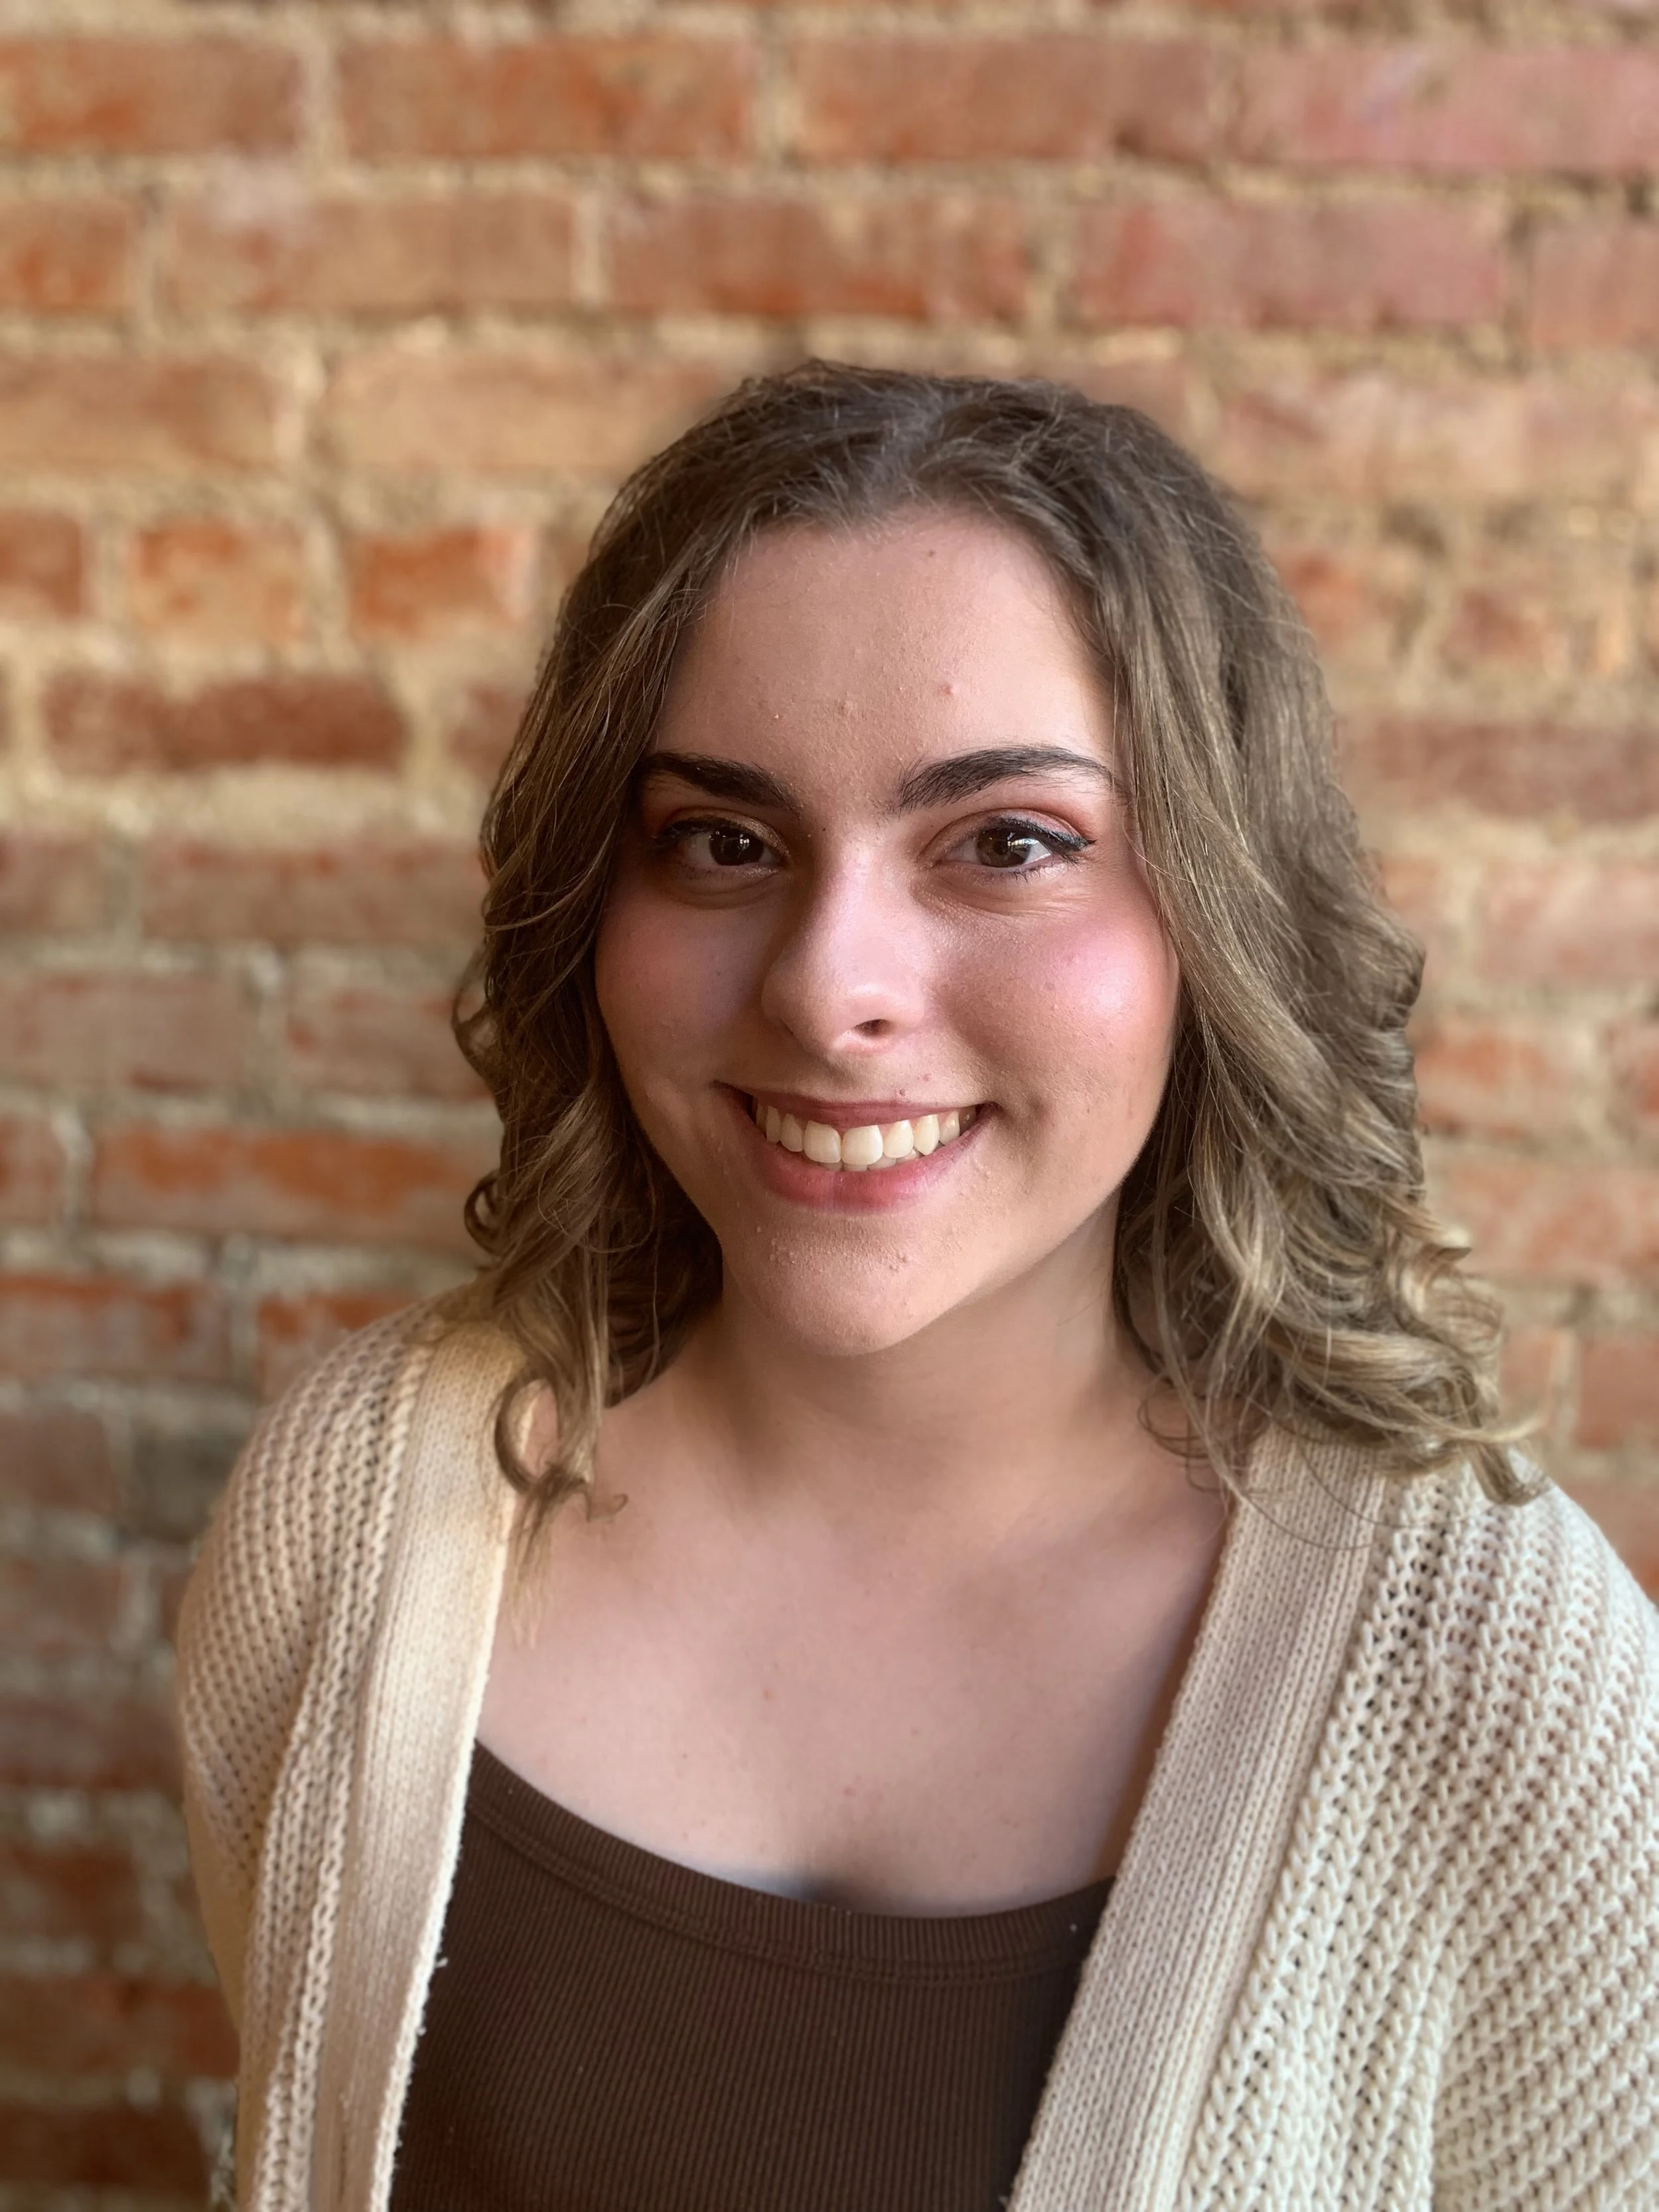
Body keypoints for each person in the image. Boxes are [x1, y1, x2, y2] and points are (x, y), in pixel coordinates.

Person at [176, 362, 1658, 2212]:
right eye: (724, 838)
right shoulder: (352, 1517)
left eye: (1006, 844)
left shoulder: (1496, 1667)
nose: (826, 984)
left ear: (1217, 920)